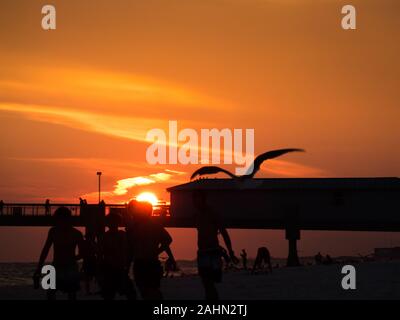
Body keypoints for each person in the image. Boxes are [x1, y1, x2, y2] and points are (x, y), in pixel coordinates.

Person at [192, 191, 239, 300]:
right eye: (194, 200)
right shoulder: (197, 215)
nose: (196, 203)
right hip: (202, 252)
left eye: (198, 200)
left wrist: (230, 252)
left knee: (210, 282)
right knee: (206, 282)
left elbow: (224, 232)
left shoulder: (213, 213)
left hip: (213, 252)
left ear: (203, 200)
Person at [126, 200, 176, 300]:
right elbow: (167, 241)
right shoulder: (150, 225)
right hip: (145, 262)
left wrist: (159, 252)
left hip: (145, 262)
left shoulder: (139, 226)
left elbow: (167, 241)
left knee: (149, 291)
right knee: (149, 291)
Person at [34, 207, 83, 300]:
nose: (60, 222)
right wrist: (39, 267)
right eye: (58, 220)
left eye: (61, 219)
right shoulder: (53, 231)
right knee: (51, 292)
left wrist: (72, 259)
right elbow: (45, 250)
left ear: (68, 219)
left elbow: (82, 253)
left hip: (70, 267)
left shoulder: (76, 234)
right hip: (56, 266)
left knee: (71, 293)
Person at [98, 212, 135, 300]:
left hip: (118, 269)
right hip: (110, 269)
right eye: (111, 222)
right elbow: (100, 254)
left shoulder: (120, 235)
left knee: (129, 294)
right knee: (112, 295)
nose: (113, 224)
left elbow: (128, 251)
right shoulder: (106, 236)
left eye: (114, 222)